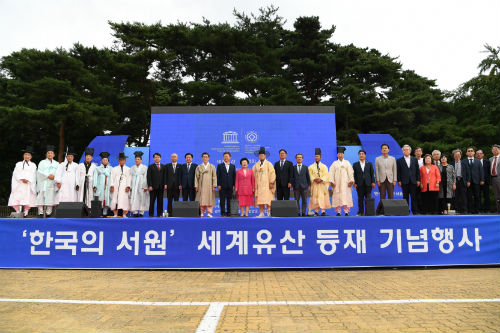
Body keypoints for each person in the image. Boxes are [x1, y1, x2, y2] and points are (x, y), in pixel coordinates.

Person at [9, 146, 37, 217]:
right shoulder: (18, 164)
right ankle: (18, 211)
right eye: (25, 154)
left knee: (28, 198)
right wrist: (22, 178)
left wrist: (28, 180)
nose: (27, 156)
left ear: (31, 156)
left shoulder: (33, 165)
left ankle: (26, 211)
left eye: (28, 155)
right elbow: (15, 173)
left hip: (28, 184)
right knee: (17, 197)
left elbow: (34, 175)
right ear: (23, 155)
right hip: (19, 184)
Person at [329, 147, 354, 216]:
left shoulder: (347, 163)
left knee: (345, 196)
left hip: (345, 183)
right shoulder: (334, 163)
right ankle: (338, 212)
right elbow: (331, 173)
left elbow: (350, 172)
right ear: (337, 155)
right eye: (339, 154)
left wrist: (351, 181)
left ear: (343, 155)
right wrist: (332, 181)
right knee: (338, 196)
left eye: (341, 154)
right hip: (337, 183)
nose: (340, 155)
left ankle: (346, 211)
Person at [252, 147, 276, 217]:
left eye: (262, 155)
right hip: (259, 186)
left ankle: (269, 212)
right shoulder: (255, 165)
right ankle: (261, 212)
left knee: (268, 199)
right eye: (260, 155)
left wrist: (271, 182)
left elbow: (272, 173)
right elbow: (252, 175)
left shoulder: (269, 164)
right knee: (260, 200)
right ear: (258, 156)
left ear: (265, 156)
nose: (261, 156)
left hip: (267, 185)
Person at [397, 145, 420, 215]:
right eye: (404, 150)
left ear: (410, 151)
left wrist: (418, 180)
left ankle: (415, 211)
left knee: (414, 197)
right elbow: (398, 171)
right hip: (404, 181)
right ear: (402, 151)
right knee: (405, 197)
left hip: (413, 181)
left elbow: (417, 171)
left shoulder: (414, 159)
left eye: (407, 149)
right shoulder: (399, 160)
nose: (406, 151)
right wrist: (399, 180)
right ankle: (406, 211)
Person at [36, 145, 59, 217]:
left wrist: (54, 176)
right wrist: (48, 175)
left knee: (51, 198)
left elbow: (59, 173)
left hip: (52, 183)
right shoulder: (42, 162)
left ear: (54, 155)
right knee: (41, 198)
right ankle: (40, 213)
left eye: (51, 153)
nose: (50, 154)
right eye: (48, 153)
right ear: (46, 154)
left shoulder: (57, 163)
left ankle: (49, 213)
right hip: (43, 183)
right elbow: (39, 172)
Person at [375, 144, 397, 215]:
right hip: (381, 180)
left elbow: (394, 170)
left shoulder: (392, 158)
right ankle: (380, 211)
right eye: (383, 148)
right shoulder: (377, 159)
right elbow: (376, 170)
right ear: (381, 150)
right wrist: (377, 180)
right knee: (382, 196)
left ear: (388, 150)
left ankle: (391, 211)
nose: (384, 149)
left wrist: (394, 180)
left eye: (386, 148)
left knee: (391, 196)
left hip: (390, 179)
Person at [308, 148, 331, 216]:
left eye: (318, 156)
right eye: (315, 156)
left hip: (322, 185)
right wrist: (314, 179)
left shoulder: (324, 166)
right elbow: (309, 175)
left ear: (320, 157)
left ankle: (323, 211)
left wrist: (321, 179)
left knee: (322, 198)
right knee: (315, 198)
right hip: (315, 184)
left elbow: (326, 175)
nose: (316, 157)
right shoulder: (311, 167)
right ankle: (316, 211)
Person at [352, 150, 375, 216]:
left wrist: (373, 182)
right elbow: (354, 174)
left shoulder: (369, 164)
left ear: (365, 155)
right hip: (359, 184)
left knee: (368, 198)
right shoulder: (355, 164)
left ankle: (368, 212)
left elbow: (372, 173)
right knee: (360, 199)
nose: (361, 155)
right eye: (360, 154)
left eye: (362, 154)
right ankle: (360, 212)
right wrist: (355, 182)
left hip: (368, 184)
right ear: (358, 156)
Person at [195, 152, 217, 217]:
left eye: (206, 157)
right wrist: (196, 186)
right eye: (204, 157)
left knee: (209, 199)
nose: (205, 158)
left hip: (209, 186)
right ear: (202, 158)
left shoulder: (212, 166)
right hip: (201, 185)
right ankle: (201, 212)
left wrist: (214, 185)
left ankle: (209, 213)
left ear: (208, 158)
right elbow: (196, 177)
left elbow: (214, 177)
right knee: (201, 199)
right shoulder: (199, 167)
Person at [110, 152, 131, 217]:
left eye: (123, 160)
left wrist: (128, 186)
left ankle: (124, 213)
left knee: (124, 200)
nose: (121, 161)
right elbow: (112, 178)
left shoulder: (128, 169)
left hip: (124, 187)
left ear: (125, 161)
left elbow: (129, 178)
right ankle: (115, 213)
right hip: (116, 186)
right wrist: (112, 185)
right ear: (118, 161)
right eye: (120, 160)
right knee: (115, 199)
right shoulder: (114, 168)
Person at [465, 147, 484, 214]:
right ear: (466, 153)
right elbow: (463, 173)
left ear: (474, 152)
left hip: (477, 181)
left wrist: (482, 179)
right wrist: (466, 181)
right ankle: (470, 210)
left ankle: (477, 210)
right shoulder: (464, 161)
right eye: (469, 151)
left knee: (477, 196)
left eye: (471, 151)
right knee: (469, 196)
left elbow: (481, 171)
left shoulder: (478, 161)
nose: (470, 152)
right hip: (468, 182)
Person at [129, 151, 149, 217]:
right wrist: (130, 186)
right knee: (134, 197)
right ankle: (134, 212)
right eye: (136, 159)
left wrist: (145, 186)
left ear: (141, 160)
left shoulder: (145, 167)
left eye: (138, 159)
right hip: (134, 184)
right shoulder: (132, 168)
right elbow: (130, 177)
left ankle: (141, 212)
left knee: (142, 197)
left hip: (141, 184)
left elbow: (146, 177)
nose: (137, 160)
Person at [93, 152, 112, 217]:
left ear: (108, 161)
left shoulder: (111, 169)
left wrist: (112, 185)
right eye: (103, 160)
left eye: (106, 160)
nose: (105, 161)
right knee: (100, 199)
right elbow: (95, 177)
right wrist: (94, 186)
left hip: (107, 186)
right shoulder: (97, 168)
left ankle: (105, 213)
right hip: (100, 186)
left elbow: (112, 178)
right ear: (101, 161)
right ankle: (99, 213)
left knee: (106, 199)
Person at [217, 152, 236, 217]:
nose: (226, 158)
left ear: (230, 157)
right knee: (222, 200)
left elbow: (234, 176)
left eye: (227, 156)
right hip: (222, 186)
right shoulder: (220, 166)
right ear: (223, 157)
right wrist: (218, 184)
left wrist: (234, 185)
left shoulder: (233, 166)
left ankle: (229, 212)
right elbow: (218, 176)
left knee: (229, 200)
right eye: (224, 156)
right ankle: (222, 213)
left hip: (230, 186)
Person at [452, 149, 470, 214]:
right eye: (455, 155)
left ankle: (464, 210)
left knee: (463, 196)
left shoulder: (464, 163)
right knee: (455, 196)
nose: (457, 156)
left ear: (461, 156)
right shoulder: (451, 163)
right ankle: (457, 209)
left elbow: (468, 173)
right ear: (453, 156)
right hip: (454, 181)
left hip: (463, 181)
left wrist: (468, 181)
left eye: (458, 155)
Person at [147, 153, 165, 217]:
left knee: (160, 201)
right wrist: (150, 185)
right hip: (153, 187)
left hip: (161, 187)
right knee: (152, 201)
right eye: (155, 157)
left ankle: (160, 214)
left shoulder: (163, 166)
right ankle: (151, 214)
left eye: (158, 157)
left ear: (160, 158)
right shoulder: (150, 166)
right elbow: (148, 177)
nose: (156, 158)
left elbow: (165, 176)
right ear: (153, 158)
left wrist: (165, 184)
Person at [490, 144, 500, 212]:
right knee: (496, 196)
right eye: (493, 149)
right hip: (493, 178)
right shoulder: (490, 159)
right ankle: (498, 209)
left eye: (496, 149)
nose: (494, 150)